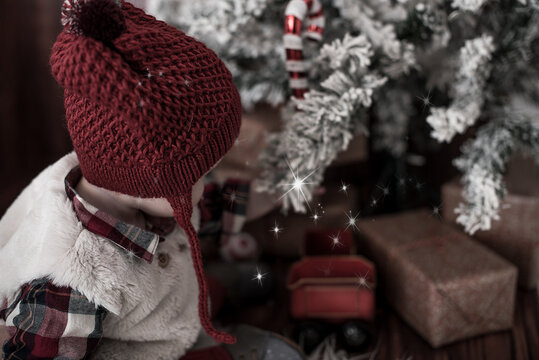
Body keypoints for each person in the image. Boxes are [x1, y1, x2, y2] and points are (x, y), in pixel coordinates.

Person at [0, 0, 251, 358]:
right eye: (203, 172)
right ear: (149, 181)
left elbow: (198, 212)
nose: (210, 179)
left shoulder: (125, 188)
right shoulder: (75, 282)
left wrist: (253, 200)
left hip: (167, 314)